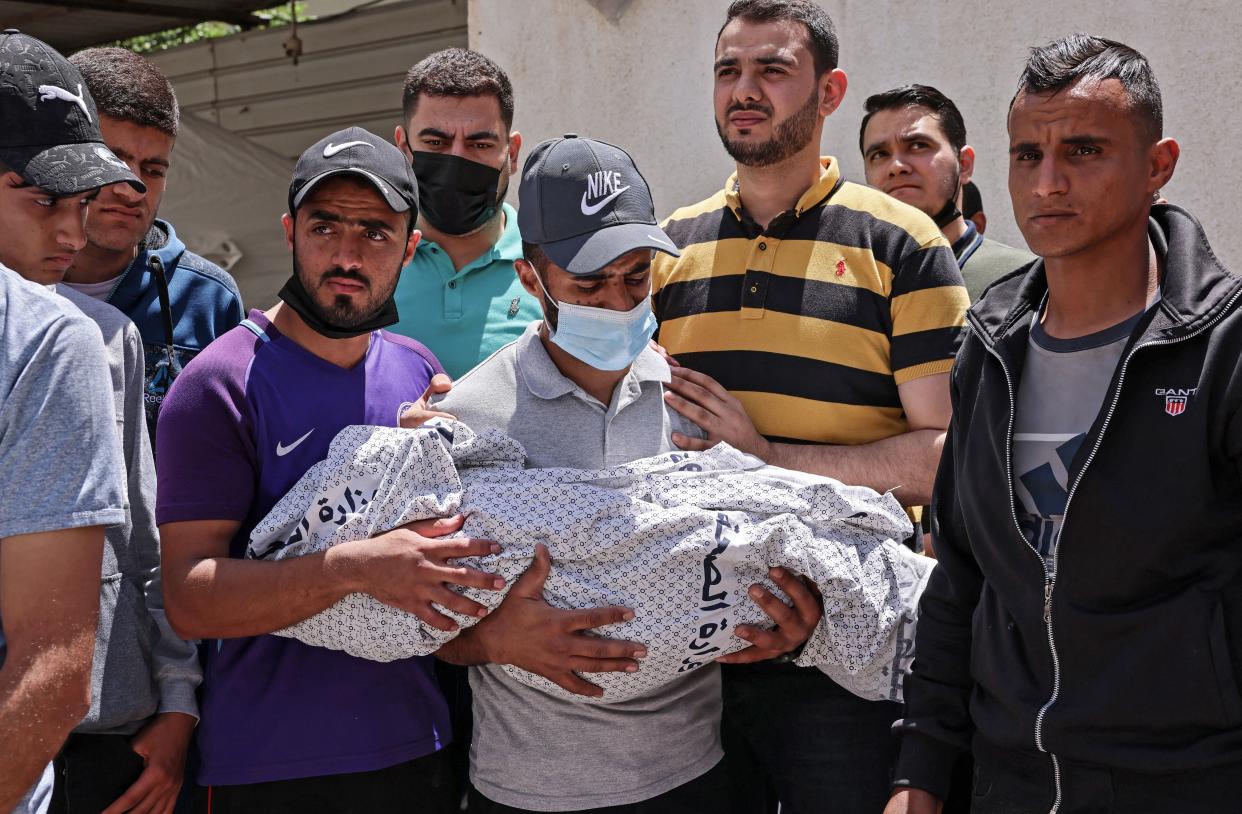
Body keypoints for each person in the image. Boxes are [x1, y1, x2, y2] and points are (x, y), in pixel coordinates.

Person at [886, 35, 1242, 814]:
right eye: (1027, 155)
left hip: (1185, 785)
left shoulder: (1222, 348)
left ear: (1158, 164)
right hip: (1007, 780)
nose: (1048, 182)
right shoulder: (987, 344)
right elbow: (959, 582)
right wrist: (919, 774)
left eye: (1083, 150)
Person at [420, 134, 823, 814]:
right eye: (588, 284)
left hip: (694, 779)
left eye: (636, 277)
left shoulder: (693, 406)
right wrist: (487, 640)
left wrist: (790, 624)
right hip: (530, 793)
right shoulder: (472, 415)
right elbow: (417, 613)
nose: (617, 302)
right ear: (530, 276)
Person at [649, 2, 970, 812]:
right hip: (690, 660)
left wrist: (768, 459)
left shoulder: (903, 245)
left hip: (845, 658)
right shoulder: (666, 250)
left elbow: (945, 458)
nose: (744, 91)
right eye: (729, 71)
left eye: (772, 70)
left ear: (830, 92)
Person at [155, 127, 505, 812]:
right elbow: (189, 598)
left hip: (422, 748)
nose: (347, 254)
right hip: (271, 768)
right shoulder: (217, 384)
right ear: (289, 230)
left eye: (375, 233)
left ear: (411, 247)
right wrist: (353, 567)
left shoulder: (419, 371)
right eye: (325, 226)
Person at [0, 29, 140, 813]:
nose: (70, 233)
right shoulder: (47, 336)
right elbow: (51, 674)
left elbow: (53, 669)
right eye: (42, 198)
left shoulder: (52, 335)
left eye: (80, 203)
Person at [65, 47, 245, 441]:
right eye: (111, 159)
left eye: (153, 170)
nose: (132, 189)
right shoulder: (14, 288)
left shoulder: (208, 299)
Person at [390, 47, 541, 378]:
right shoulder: (368, 261)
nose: (456, 161)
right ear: (403, 149)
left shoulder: (554, 268)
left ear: (512, 153)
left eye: (480, 145)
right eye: (435, 143)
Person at [860, 84, 1034, 300]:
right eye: (879, 154)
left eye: (918, 145)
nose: (896, 166)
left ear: (965, 164)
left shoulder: (1023, 281)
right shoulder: (845, 283)